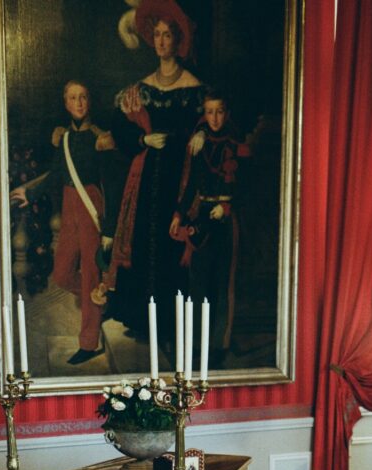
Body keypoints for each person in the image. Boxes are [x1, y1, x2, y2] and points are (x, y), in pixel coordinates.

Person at [94, 0, 203, 350]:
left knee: (172, 249)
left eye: (167, 35)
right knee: (143, 243)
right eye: (156, 34)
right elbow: (120, 130)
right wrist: (143, 138)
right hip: (145, 181)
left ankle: (171, 324)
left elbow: (209, 123)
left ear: (177, 40)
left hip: (178, 177)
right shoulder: (140, 89)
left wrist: (200, 132)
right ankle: (141, 319)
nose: (160, 41)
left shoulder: (193, 88)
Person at [10, 80, 116, 365]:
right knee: (61, 274)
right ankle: (103, 299)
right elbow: (56, 175)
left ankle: (89, 343)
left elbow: (113, 185)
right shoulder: (65, 138)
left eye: (83, 97)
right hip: (69, 208)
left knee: (92, 274)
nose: (79, 103)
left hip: (92, 206)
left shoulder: (101, 138)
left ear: (89, 101)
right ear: (66, 103)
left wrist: (109, 229)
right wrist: (28, 192)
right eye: (73, 98)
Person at [169, 89, 250, 367]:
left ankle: (219, 344)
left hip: (227, 219)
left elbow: (248, 187)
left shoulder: (238, 142)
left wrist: (227, 207)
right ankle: (194, 343)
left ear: (226, 113)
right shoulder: (199, 141)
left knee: (221, 286)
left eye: (219, 111)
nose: (214, 118)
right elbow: (191, 183)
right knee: (197, 284)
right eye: (209, 112)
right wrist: (179, 214)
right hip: (202, 216)